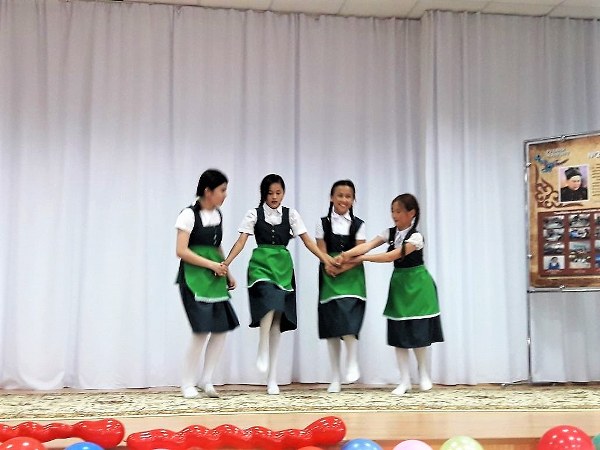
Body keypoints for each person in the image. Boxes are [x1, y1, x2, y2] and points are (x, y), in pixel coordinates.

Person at [223, 174, 336, 395]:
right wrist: (226, 264)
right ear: (263, 194)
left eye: (278, 193)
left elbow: (308, 241)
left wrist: (326, 259)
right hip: (261, 266)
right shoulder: (254, 214)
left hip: (283, 268)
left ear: (283, 193)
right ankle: (261, 345)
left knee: (277, 319)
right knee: (269, 303)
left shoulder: (291, 215)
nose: (274, 197)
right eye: (270, 193)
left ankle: (272, 377)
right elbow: (241, 241)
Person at [339, 193, 443, 396]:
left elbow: (391, 256)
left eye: (399, 211)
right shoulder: (390, 232)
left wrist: (361, 259)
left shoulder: (416, 237)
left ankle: (423, 374)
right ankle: (404, 380)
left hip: (419, 286)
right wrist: (347, 254)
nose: (394, 215)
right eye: (392, 211)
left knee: (419, 332)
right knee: (399, 334)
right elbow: (367, 245)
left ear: (411, 213)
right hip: (399, 285)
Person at [175, 169, 239, 399]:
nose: (225, 195)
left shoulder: (218, 215)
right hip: (194, 278)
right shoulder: (188, 215)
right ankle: (187, 383)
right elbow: (181, 251)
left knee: (220, 330)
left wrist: (227, 271)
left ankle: (206, 379)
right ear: (208, 191)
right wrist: (211, 265)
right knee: (201, 331)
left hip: (214, 279)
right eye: (222, 190)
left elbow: (216, 247)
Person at [315, 180, 367, 393]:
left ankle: (352, 359)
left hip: (352, 277)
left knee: (349, 320)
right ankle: (335, 376)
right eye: (340, 195)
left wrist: (341, 267)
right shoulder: (322, 223)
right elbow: (321, 251)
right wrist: (329, 265)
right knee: (332, 328)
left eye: (348, 196)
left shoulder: (359, 224)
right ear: (331, 197)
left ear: (353, 200)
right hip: (329, 276)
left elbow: (360, 253)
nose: (344, 200)